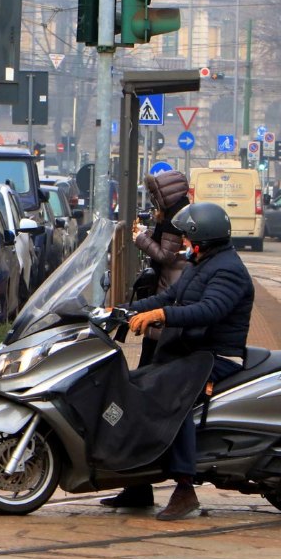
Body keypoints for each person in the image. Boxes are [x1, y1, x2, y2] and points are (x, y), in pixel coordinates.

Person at [101, 202, 254, 521]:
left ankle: (185, 489)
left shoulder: (229, 270)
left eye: (186, 236)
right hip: (190, 353)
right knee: (135, 388)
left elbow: (209, 310)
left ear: (203, 238)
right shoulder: (201, 263)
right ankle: (139, 484)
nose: (183, 242)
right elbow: (169, 298)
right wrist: (122, 312)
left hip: (215, 357)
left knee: (172, 399)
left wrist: (162, 316)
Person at [131, 170, 190, 366]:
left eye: (155, 194)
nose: (153, 199)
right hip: (171, 280)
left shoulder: (174, 220)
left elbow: (166, 255)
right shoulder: (179, 212)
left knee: (155, 342)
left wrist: (140, 239)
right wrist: (146, 233)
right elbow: (163, 240)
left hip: (169, 282)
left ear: (165, 194)